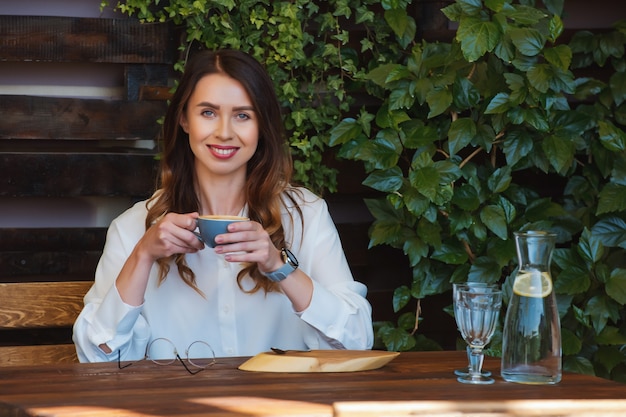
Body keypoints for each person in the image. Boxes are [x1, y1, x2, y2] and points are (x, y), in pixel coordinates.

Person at [73, 49, 374, 362]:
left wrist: (278, 265)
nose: (225, 132)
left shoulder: (305, 215)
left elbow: (356, 341)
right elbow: (98, 358)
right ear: (184, 119)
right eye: (208, 113)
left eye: (243, 115)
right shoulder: (134, 227)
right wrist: (143, 254)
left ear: (261, 126)